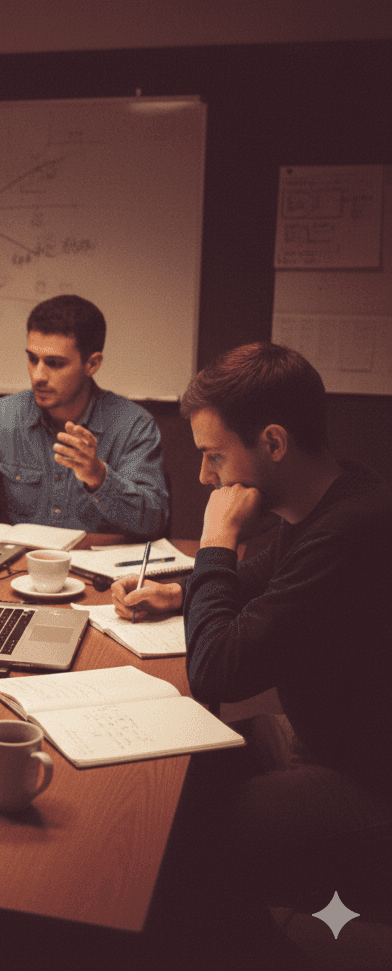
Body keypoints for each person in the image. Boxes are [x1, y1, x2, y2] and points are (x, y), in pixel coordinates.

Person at [112, 342, 391, 916]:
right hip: (328, 737)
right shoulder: (335, 495)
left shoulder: (351, 531)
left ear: (274, 443)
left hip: (363, 775)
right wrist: (179, 592)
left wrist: (217, 541)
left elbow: (217, 671)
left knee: (188, 827)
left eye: (214, 456)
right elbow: (262, 579)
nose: (203, 475)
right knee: (191, 764)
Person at [0, 294, 169, 536]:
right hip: (20, 571)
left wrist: (98, 476)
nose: (38, 376)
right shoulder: (0, 417)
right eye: (32, 359)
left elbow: (154, 522)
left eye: (55, 363)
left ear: (92, 364)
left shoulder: (134, 425)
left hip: (100, 574)